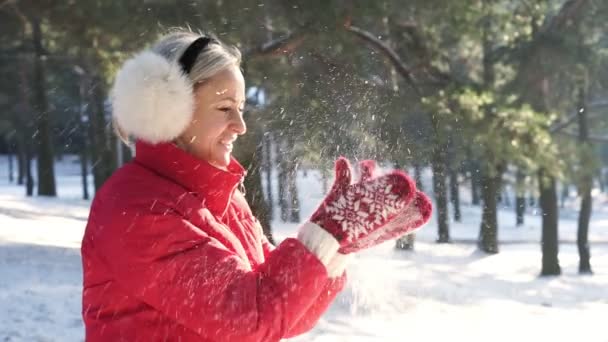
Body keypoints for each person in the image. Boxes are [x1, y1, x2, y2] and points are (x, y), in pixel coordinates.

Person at [81, 29, 432, 342]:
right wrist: (325, 232)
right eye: (224, 108)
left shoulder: (225, 201)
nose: (240, 125)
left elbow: (283, 316)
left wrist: (335, 248)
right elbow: (248, 319)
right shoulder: (136, 209)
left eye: (241, 108)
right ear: (167, 110)